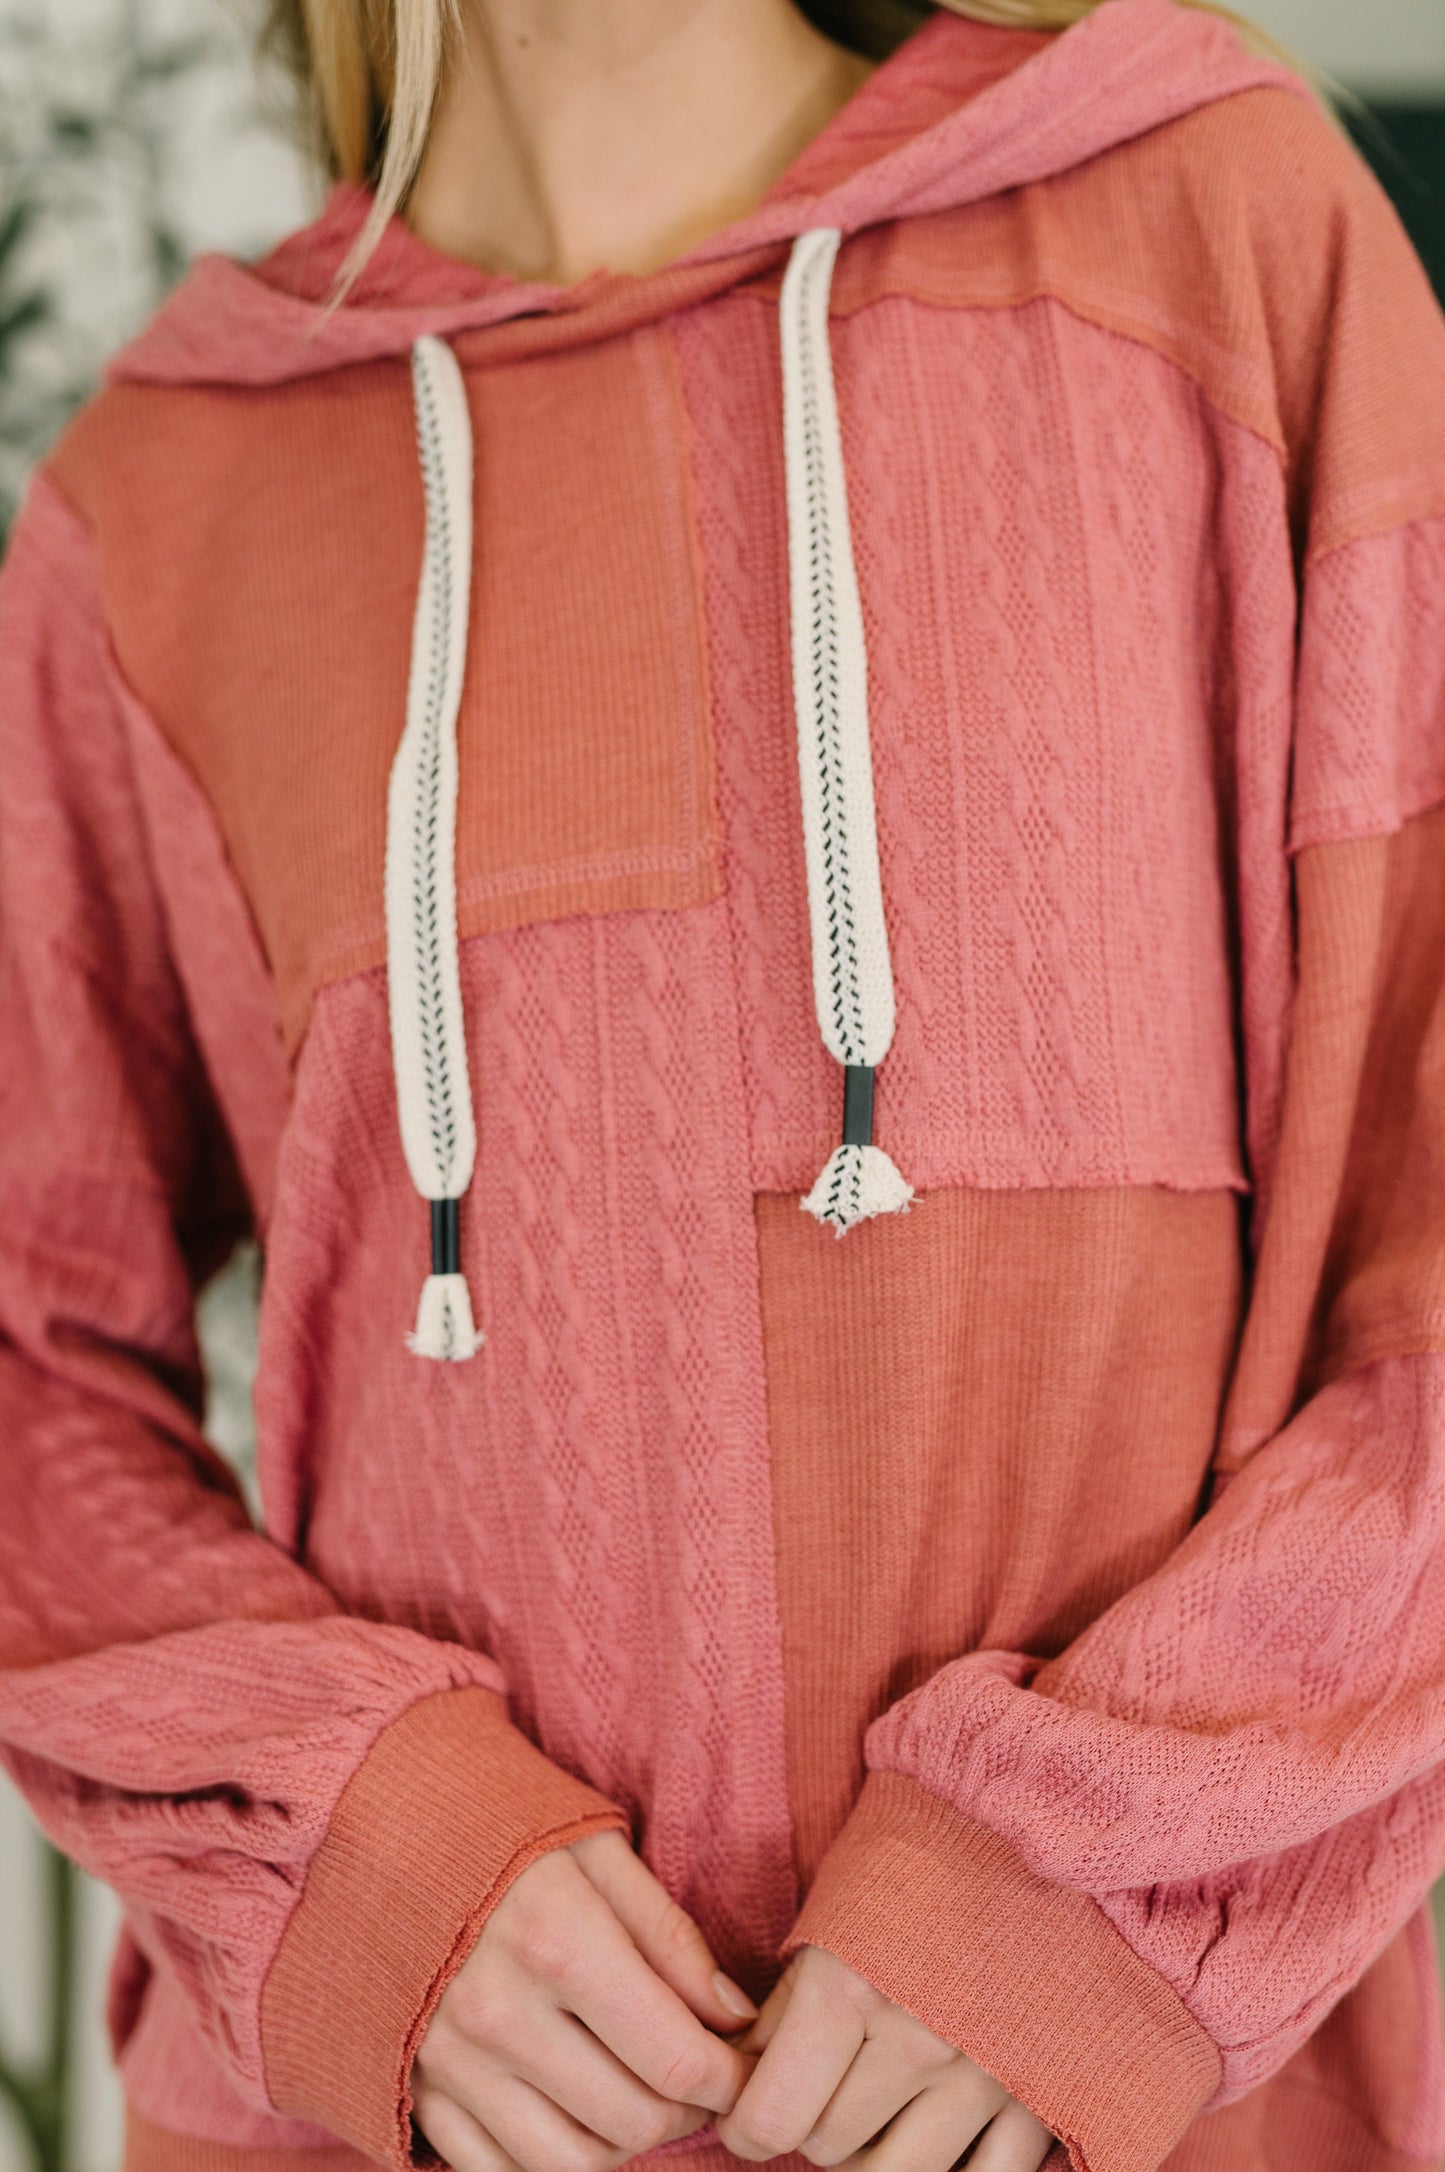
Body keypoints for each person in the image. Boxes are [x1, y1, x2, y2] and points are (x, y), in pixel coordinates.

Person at [4, 0, 1445, 2168]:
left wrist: (1078, 1878)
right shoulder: (167, 502)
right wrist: (369, 1859)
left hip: (1128, 2116)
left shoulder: (1209, 230)